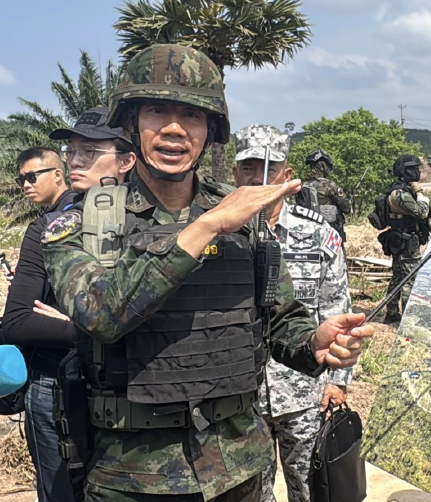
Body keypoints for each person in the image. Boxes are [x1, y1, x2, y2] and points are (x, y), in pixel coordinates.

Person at [41, 43, 373, 502]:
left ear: (210, 130)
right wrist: (208, 225)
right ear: (131, 123)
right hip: (133, 478)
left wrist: (315, 341)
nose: (175, 129)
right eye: (157, 111)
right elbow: (101, 315)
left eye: (193, 116)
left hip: (237, 469)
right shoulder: (84, 224)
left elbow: (280, 319)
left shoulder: (246, 217)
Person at [0, 107, 136, 502]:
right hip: (57, 388)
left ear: (127, 161)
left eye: (89, 152)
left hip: (131, 395)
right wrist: (94, 327)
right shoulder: (49, 228)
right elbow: (19, 322)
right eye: (72, 150)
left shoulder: (151, 225)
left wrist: (82, 321)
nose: (75, 161)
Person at [231, 125, 352, 502]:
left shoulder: (318, 236)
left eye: (269, 169)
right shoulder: (218, 232)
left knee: (312, 491)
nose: (258, 178)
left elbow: (337, 307)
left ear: (287, 175)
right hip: (239, 401)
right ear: (235, 173)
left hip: (304, 395)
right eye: (249, 167)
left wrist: (337, 380)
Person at [380, 155, 431, 324]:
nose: (418, 172)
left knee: (397, 277)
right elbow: (421, 212)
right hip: (407, 242)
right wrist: (420, 193)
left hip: (401, 240)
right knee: (410, 279)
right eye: (415, 169)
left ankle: (392, 312)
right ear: (406, 171)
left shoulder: (400, 191)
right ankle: (408, 318)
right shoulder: (400, 193)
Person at [300, 150, 351, 242]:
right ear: (323, 166)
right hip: (330, 236)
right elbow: (347, 208)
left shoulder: (302, 186)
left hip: (307, 235)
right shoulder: (330, 185)